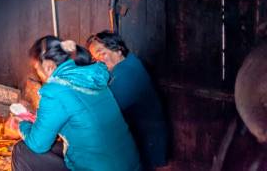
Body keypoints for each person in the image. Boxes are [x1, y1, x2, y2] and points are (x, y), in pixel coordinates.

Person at [11, 36, 141, 171]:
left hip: (100, 166)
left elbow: (38, 144)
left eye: (37, 68)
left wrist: (21, 125)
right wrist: (36, 116)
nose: (38, 73)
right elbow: (78, 111)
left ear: (48, 66)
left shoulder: (55, 90)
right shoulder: (89, 76)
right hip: (128, 164)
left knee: (22, 151)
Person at [87, 31, 168, 170]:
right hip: (141, 137)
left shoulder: (128, 73)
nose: (98, 61)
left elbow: (106, 110)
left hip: (147, 141)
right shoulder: (125, 63)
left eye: (102, 53)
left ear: (118, 50)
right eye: (95, 58)